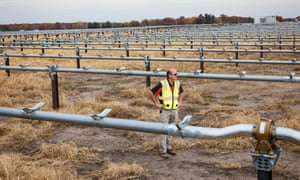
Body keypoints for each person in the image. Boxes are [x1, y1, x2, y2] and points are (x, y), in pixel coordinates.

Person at [148, 68, 184, 158]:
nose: (176, 76)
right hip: (165, 111)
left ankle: (169, 148)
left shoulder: (177, 83)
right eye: (175, 74)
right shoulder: (162, 84)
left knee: (171, 130)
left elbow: (182, 92)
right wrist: (156, 104)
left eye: (176, 74)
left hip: (174, 110)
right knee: (164, 131)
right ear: (169, 75)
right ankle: (163, 151)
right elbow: (151, 93)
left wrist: (180, 102)